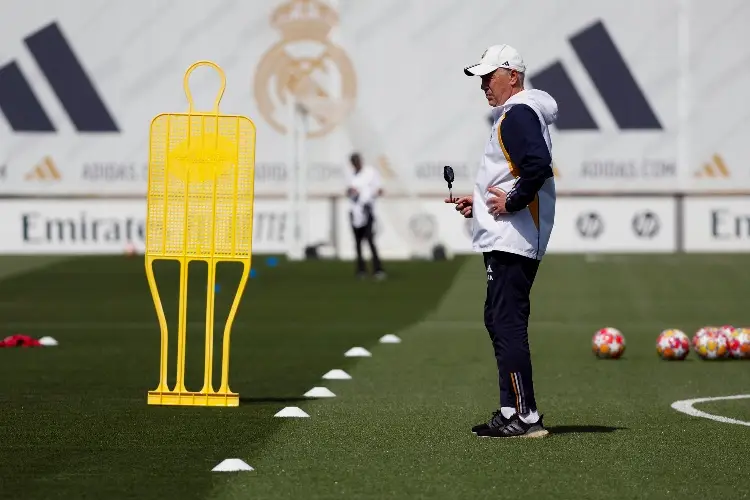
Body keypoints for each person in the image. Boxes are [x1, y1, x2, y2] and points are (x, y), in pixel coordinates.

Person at [447, 44, 558, 438]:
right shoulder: (516, 113)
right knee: (498, 320)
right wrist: (478, 204)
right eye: (480, 78)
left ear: (512, 75)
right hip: (508, 235)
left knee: (506, 322)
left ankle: (526, 417)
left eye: (488, 76)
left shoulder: (518, 113)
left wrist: (511, 201)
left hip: (513, 238)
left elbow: (538, 166)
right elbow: (517, 173)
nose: (483, 85)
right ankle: (512, 410)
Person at [346, 152, 386, 280]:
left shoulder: (370, 173)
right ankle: (361, 270)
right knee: (357, 242)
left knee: (370, 239)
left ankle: (377, 269)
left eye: (357, 161)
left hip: (367, 210)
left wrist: (374, 194)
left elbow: (378, 189)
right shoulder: (351, 175)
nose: (356, 164)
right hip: (354, 211)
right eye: (354, 162)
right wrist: (351, 192)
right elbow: (349, 191)